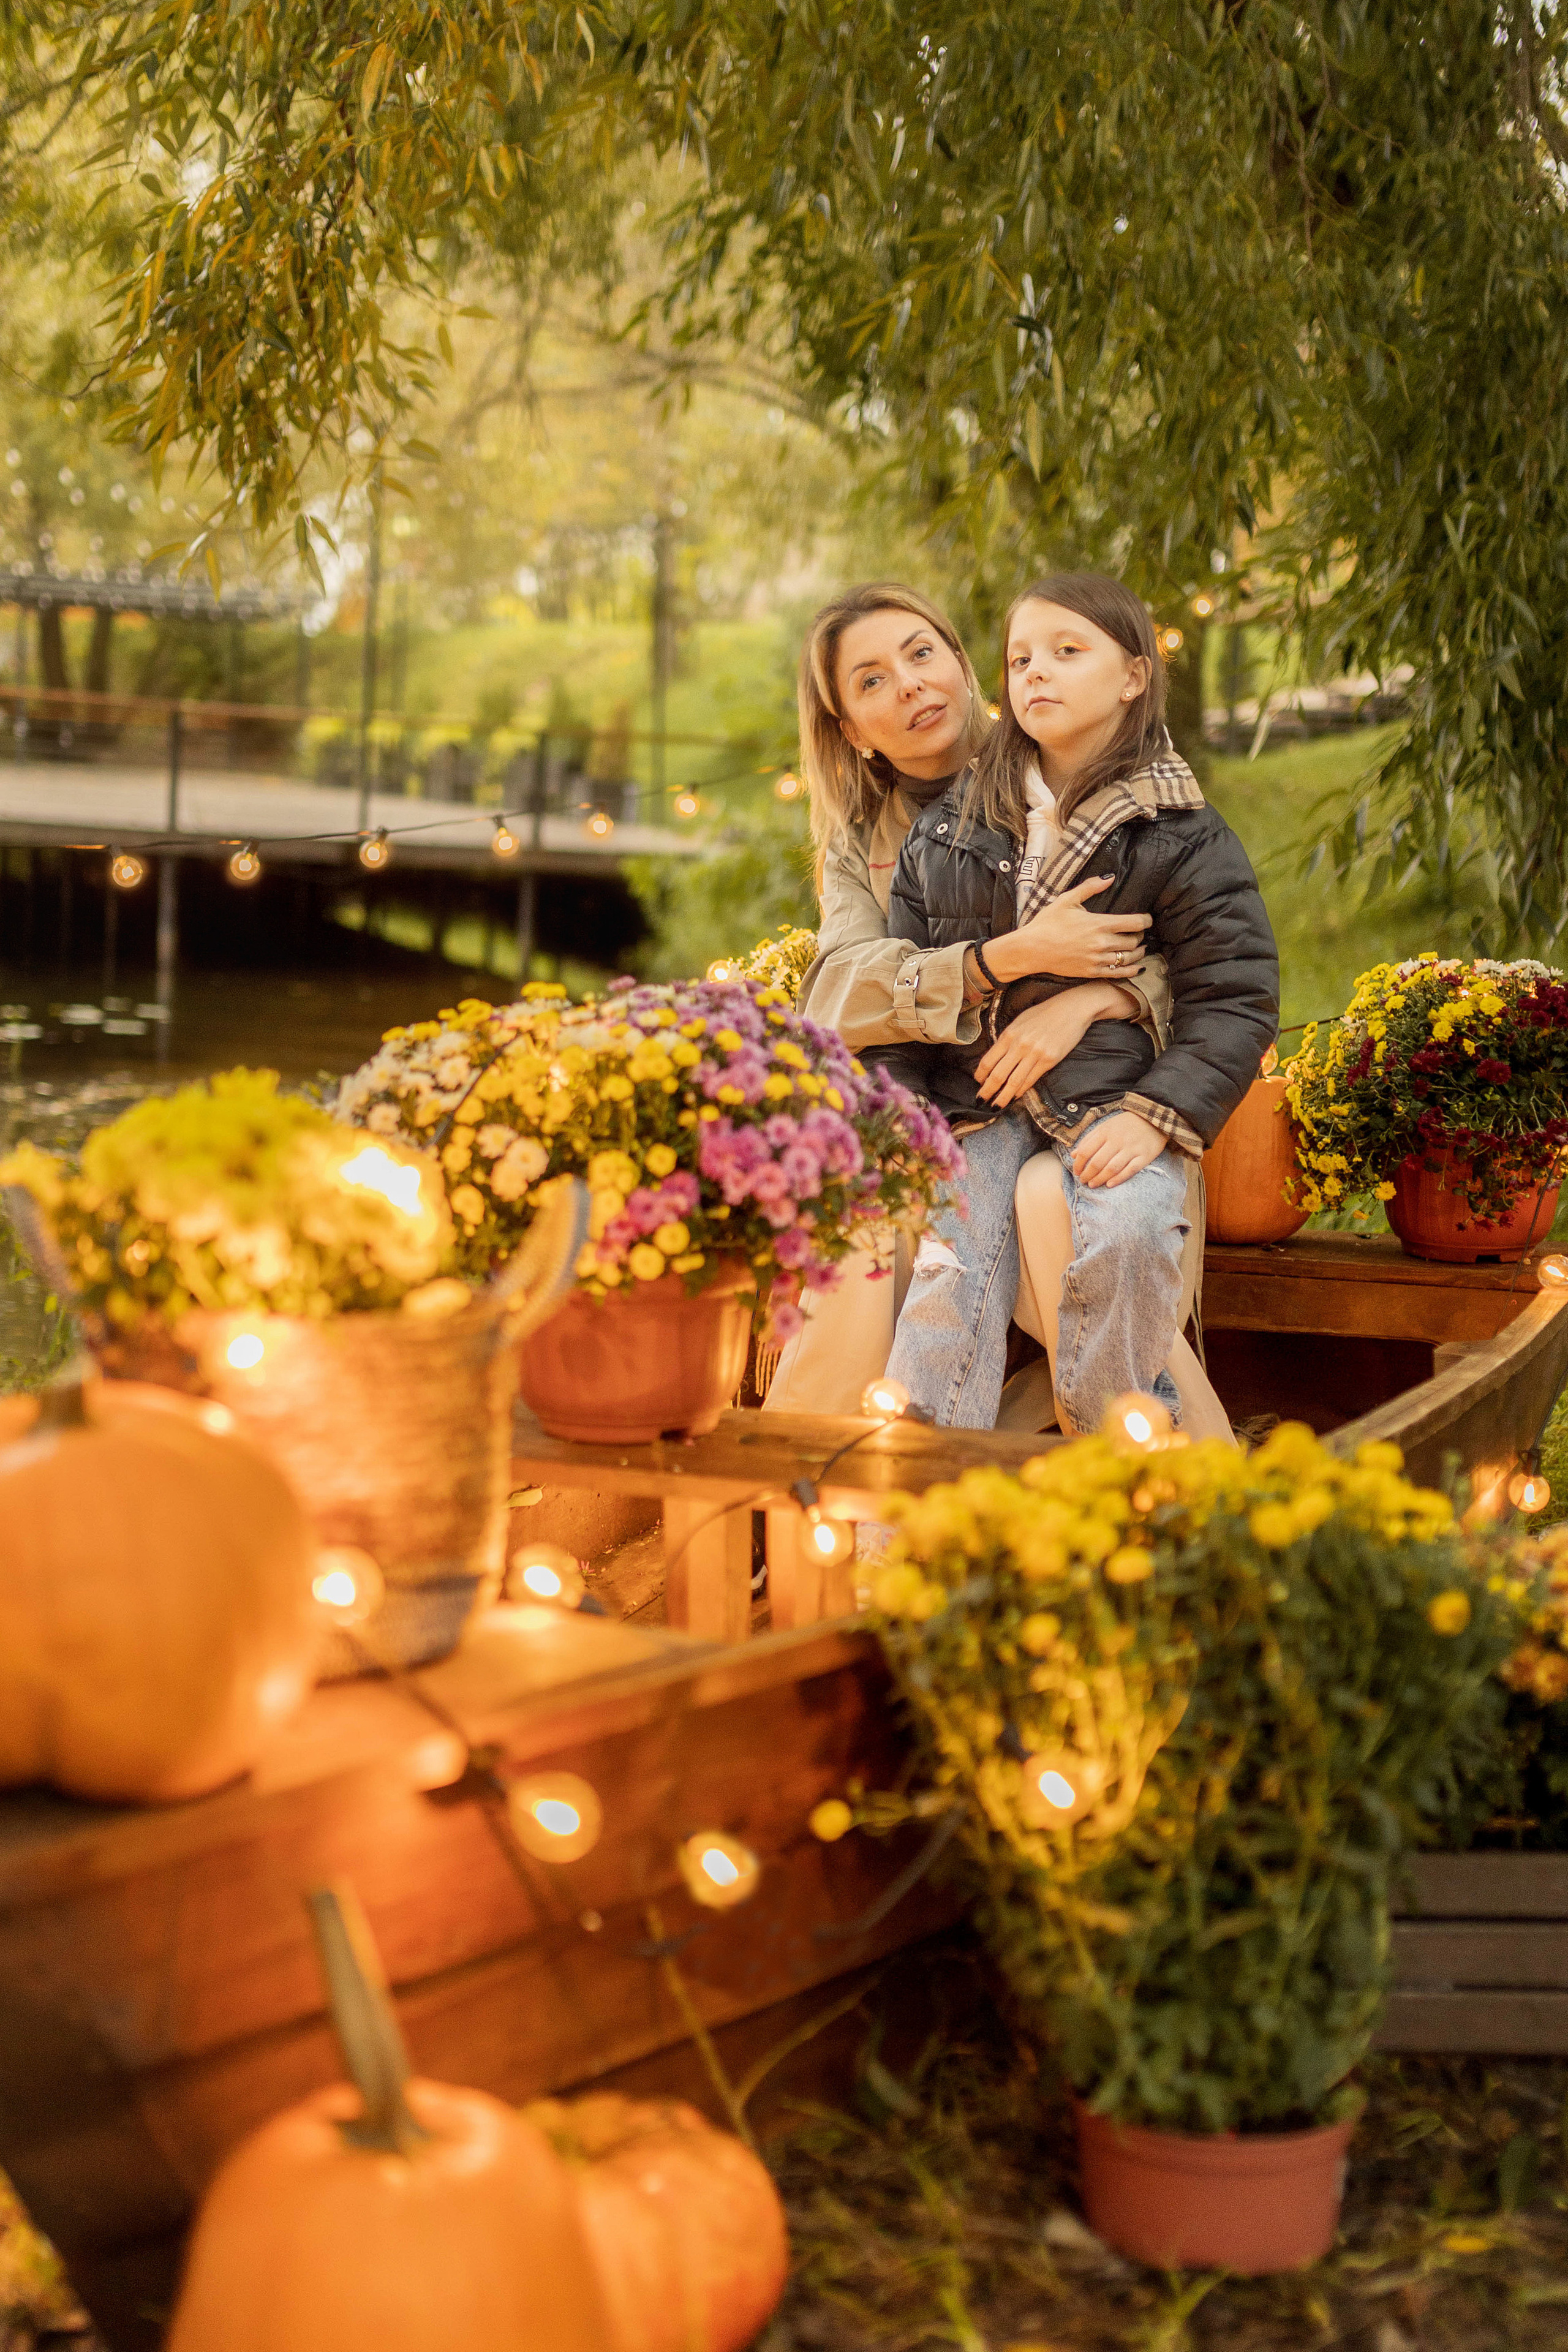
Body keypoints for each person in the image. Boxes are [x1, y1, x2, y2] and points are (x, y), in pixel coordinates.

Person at [762, 581, 1191, 1423]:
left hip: (1117, 1098)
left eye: (923, 655)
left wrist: (1100, 997)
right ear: (850, 729)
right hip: (961, 1104)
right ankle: (825, 1482)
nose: (911, 685)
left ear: (964, 665)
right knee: (865, 1232)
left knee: (1076, 1208)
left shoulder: (1075, 757)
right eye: (873, 679)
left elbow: (1203, 955)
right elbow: (838, 992)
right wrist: (1005, 960)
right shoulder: (863, 841)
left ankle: (1141, 1466)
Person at [879, 571, 1279, 1433]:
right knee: (947, 1276)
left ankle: (1114, 1456)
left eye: (1067, 652)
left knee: (1131, 1227)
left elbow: (1234, 998)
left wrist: (1156, 1116)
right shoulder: (949, 827)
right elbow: (903, 994)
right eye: (1021, 658)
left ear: (1133, 675)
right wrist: (909, 1122)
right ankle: (901, 1525)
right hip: (970, 1101)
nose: (1036, 675)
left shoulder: (1181, 833)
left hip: (1111, 1095)